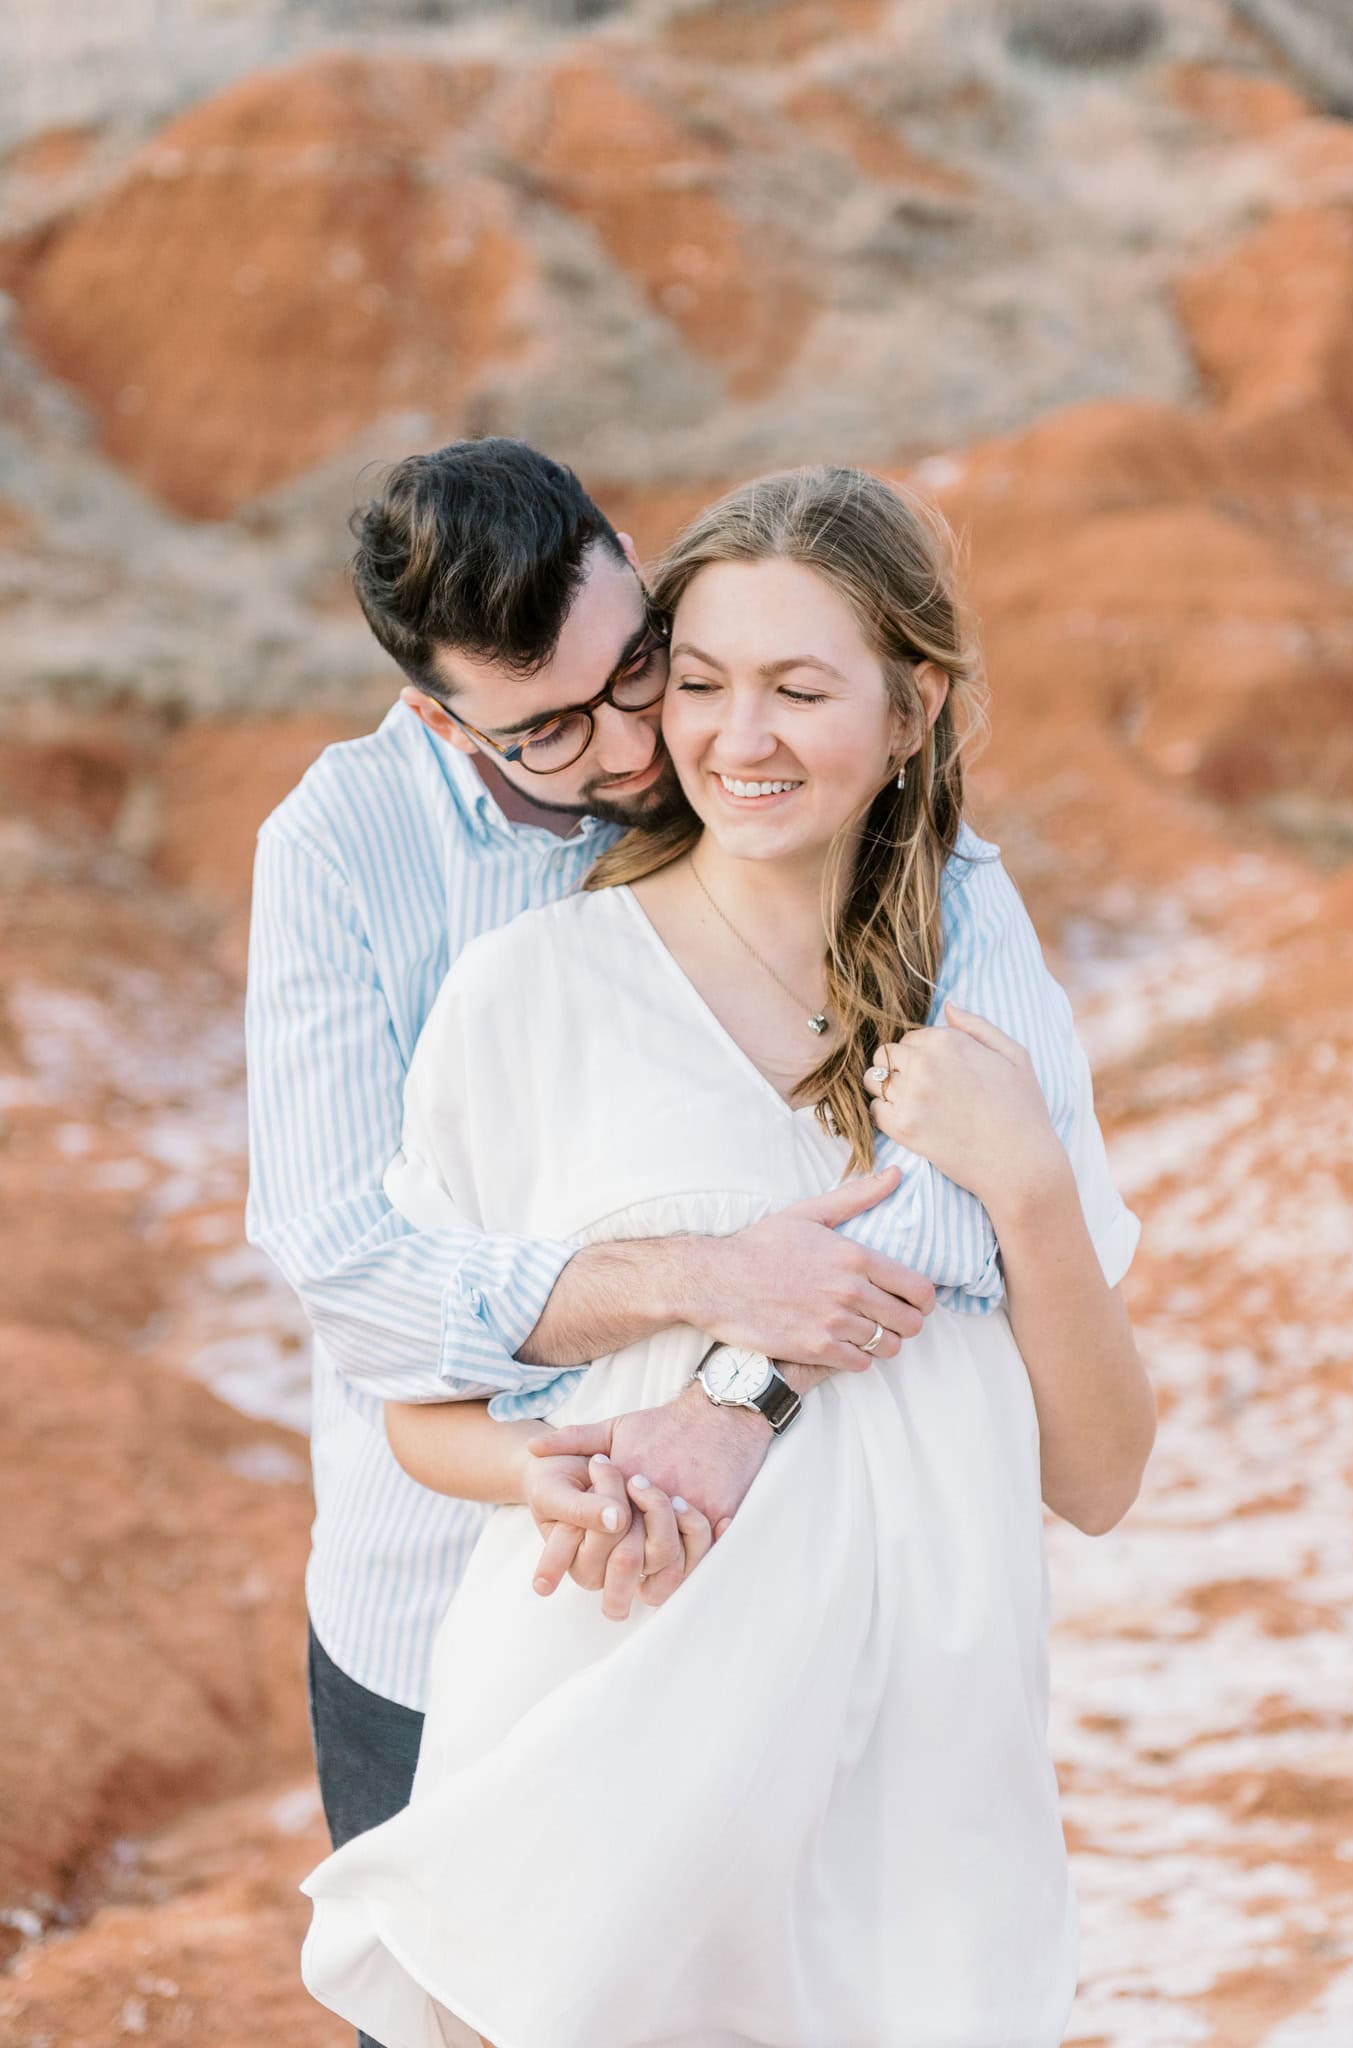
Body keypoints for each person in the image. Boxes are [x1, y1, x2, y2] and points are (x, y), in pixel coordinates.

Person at [296, 465, 1155, 2048]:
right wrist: (602, 1440)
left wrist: (1025, 1179)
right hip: (601, 1770)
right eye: (697, 683)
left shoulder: (976, 1008)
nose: (714, 739)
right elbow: (397, 1380)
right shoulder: (524, 996)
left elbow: (1096, 1480)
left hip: (915, 1811)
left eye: (795, 688)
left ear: (914, 709)